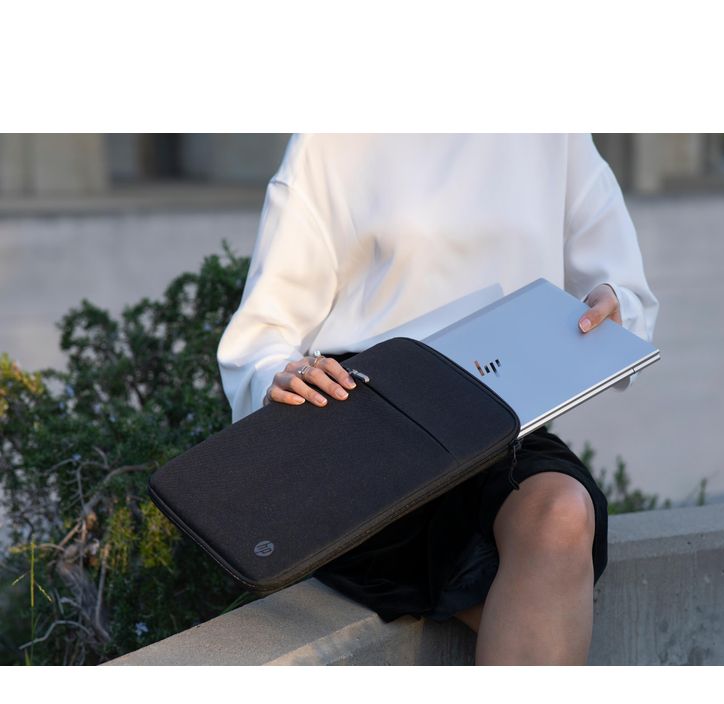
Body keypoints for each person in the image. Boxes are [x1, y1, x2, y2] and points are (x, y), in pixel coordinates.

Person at [217, 134, 659, 665]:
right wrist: (280, 374)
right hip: (369, 424)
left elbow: (622, 289)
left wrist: (612, 305)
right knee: (537, 591)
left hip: (500, 420)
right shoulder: (332, 137)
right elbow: (263, 333)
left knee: (562, 512)